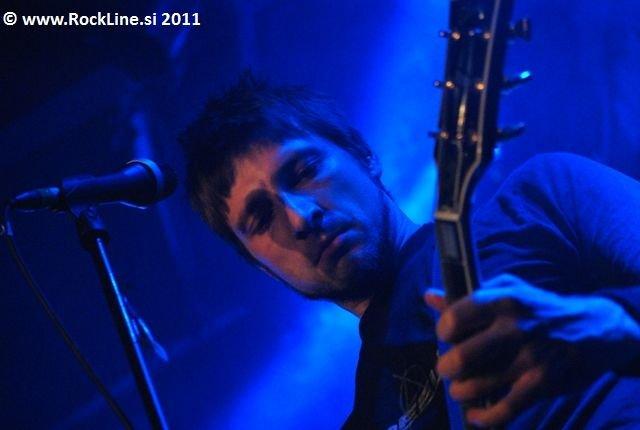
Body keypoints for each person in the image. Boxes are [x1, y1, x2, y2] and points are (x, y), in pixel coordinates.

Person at [179, 74, 640, 429]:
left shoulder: (543, 197)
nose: (300, 218)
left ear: (364, 155)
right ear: (260, 267)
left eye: (304, 170)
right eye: (260, 218)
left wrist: (611, 325)